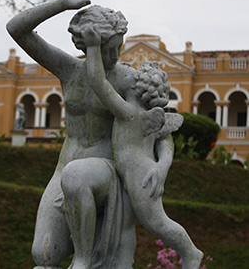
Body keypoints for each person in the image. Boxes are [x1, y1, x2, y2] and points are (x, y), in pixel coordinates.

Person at [7, 0, 136, 269]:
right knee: (44, 256)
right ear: (87, 46)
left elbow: (151, 125)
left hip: (107, 168)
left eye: (119, 48)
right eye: (108, 50)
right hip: (65, 167)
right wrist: (62, 3)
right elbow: (16, 29)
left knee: (77, 175)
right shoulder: (69, 71)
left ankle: (83, 260)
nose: (115, 57)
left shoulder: (126, 79)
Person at [83, 25, 204, 269]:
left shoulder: (129, 113)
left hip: (139, 174)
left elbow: (97, 81)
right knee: (142, 224)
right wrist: (161, 166)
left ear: (137, 88)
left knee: (157, 222)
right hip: (139, 170)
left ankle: (190, 253)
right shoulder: (145, 116)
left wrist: (93, 47)